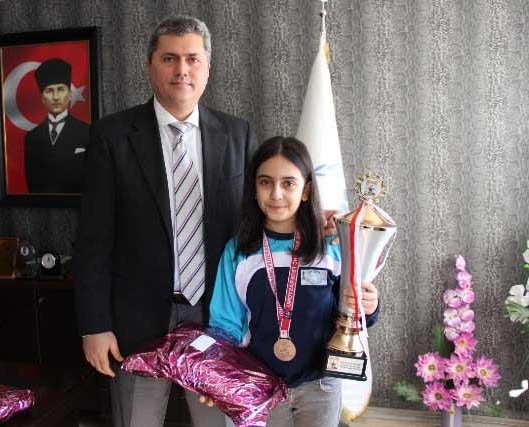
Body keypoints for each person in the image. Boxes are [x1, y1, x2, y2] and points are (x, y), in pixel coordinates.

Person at [74, 16, 257, 427]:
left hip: (217, 319)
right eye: (169, 58)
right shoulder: (112, 136)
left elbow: (258, 224)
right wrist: (95, 326)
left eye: (192, 59)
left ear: (207, 68)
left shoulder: (238, 134)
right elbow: (93, 241)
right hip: (135, 324)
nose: (182, 69)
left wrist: (316, 228)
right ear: (150, 66)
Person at [207, 136, 379, 427]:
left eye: (288, 183)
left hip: (320, 385)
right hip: (258, 386)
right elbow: (225, 325)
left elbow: (353, 315)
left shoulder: (332, 246)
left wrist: (369, 306)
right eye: (265, 182)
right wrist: (216, 372)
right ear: (254, 188)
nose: (276, 194)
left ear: (306, 190)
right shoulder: (238, 251)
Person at [24, 58, 89, 193]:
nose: (56, 97)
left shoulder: (87, 131)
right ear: (42, 98)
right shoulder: (31, 138)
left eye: (61, 89)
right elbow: (32, 184)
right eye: (49, 90)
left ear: (69, 94)